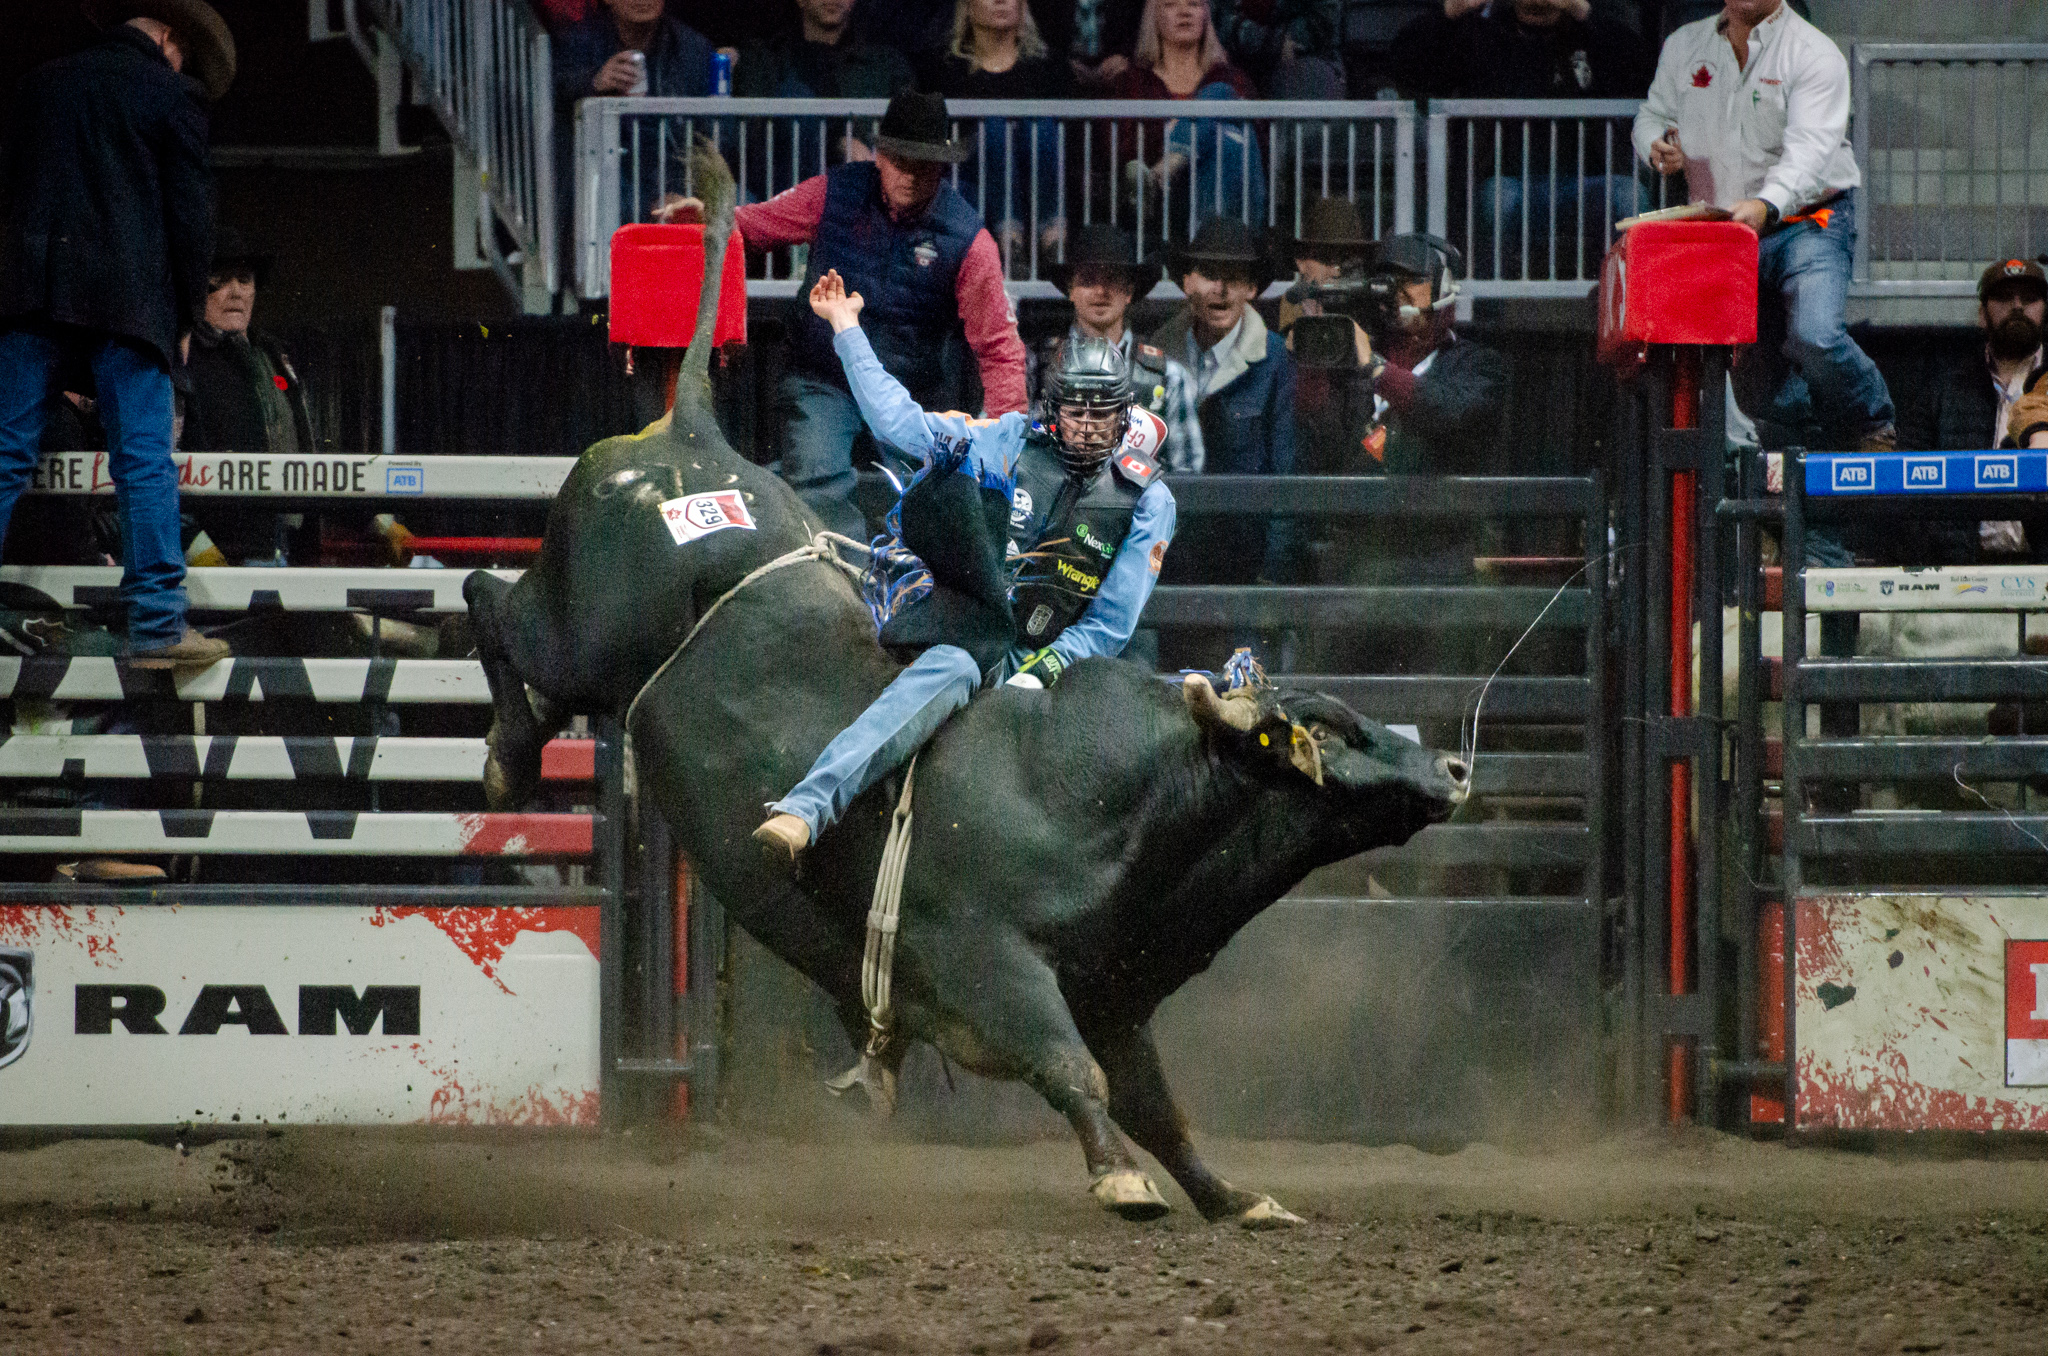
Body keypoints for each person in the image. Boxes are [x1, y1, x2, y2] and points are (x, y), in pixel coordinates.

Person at [752, 269, 1176, 857]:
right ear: (1052, 409)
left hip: (1064, 662)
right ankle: (807, 806)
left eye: (1100, 414)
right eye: (1073, 412)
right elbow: (900, 425)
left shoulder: (1148, 499)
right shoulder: (1008, 440)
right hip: (975, 629)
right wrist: (847, 330)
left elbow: (1111, 624)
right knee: (946, 669)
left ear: (1122, 416)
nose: (1084, 426)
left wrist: (1041, 672)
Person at [672, 93, 1028, 540]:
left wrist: (1011, 438)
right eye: (901, 159)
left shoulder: (969, 240)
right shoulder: (833, 193)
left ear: (943, 166)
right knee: (818, 478)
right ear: (879, 155)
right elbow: (754, 225)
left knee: (925, 501)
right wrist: (699, 221)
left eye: (926, 164)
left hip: (907, 395)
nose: (912, 175)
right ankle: (839, 592)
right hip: (824, 378)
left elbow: (997, 345)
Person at [0, 0, 234, 670]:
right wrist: (185, 317)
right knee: (141, 459)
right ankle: (158, 626)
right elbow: (192, 221)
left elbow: (11, 188)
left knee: (5, 454)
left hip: (33, 292)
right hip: (129, 304)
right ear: (168, 39)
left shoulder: (40, 84)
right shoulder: (172, 91)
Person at [1633, 0, 1897, 452]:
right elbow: (1652, 115)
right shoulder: (1684, 45)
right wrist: (1655, 145)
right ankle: (1742, 459)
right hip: (1722, 227)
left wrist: (1767, 203)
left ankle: (1872, 420)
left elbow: (1811, 153)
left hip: (1809, 219)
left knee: (1814, 336)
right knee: (1709, 349)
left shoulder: (1814, 52)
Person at [1394, 0, 1651, 279]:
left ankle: (1638, 312)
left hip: (1588, 182)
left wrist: (1583, 10)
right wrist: (1450, 11)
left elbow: (1643, 73)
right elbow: (1408, 70)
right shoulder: (1481, 34)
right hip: (1505, 181)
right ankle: (1486, 313)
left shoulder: (1589, 33)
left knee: (1628, 194)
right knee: (1498, 199)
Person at [1147, 218, 1299, 585]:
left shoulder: (1277, 361)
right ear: (1186, 281)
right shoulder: (1152, 357)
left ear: (1250, 288)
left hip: (1245, 567)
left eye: (1235, 276)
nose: (1222, 289)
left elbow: (1288, 477)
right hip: (1165, 562)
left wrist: (1272, 578)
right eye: (1210, 274)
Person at [1889, 258, 2048, 564]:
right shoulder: (1942, 389)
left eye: (2029, 298)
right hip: (1961, 571)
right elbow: (1904, 483)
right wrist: (1938, 551)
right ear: (1981, 315)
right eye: (2003, 297)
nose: (2017, 306)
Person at [917, 0, 1076, 268]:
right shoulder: (946, 69)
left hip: (1038, 177)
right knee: (994, 128)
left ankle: (1053, 241)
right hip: (969, 177)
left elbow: (1070, 141)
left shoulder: (1048, 67)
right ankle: (1010, 242)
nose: (1001, 1)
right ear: (967, 6)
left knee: (1040, 126)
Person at [1034, 224, 1206, 472]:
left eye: (1112, 280)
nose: (1101, 291)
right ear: (1070, 289)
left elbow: (1188, 477)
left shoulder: (1169, 376)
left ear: (1128, 292)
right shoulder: (1037, 365)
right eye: (1089, 280)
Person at [1109, 0, 1266, 237]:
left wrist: (1185, 129)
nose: (1184, 12)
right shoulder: (1133, 83)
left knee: (1222, 96)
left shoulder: (1234, 78)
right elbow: (1122, 152)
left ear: (1206, 15)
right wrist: (1172, 136)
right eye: (1171, 4)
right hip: (1164, 203)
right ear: (1154, 18)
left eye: (1194, 4)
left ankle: (1164, 170)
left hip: (1234, 193)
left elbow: (1257, 146)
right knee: (1222, 121)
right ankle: (1208, 246)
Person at [1210, 0, 1345, 99]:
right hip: (1234, 56)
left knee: (1305, 78)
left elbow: (1320, 23)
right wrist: (1270, 41)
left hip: (1303, 61)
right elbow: (1216, 18)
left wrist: (1279, 42)